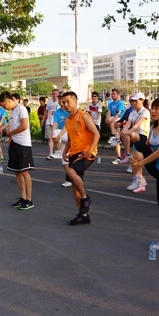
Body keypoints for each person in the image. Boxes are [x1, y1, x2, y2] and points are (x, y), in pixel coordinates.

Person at [129, 98, 159, 250]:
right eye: (152, 108)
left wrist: (140, 164)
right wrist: (135, 158)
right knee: (137, 144)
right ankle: (139, 178)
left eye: (157, 108)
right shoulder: (153, 127)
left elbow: (158, 153)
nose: (153, 111)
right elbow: (148, 148)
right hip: (157, 167)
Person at [60, 91, 99, 225]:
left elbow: (96, 134)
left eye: (68, 102)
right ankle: (83, 215)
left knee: (70, 171)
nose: (65, 105)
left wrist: (89, 151)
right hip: (74, 154)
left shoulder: (83, 116)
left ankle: (85, 198)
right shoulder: (68, 120)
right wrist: (65, 151)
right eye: (63, 102)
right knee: (75, 187)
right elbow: (71, 138)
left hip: (86, 153)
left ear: (75, 102)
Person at [0, 91, 35, 210]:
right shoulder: (12, 112)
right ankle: (22, 198)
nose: (5, 108)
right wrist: (9, 137)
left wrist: (11, 133)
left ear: (9, 101)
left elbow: (24, 126)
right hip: (14, 143)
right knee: (17, 171)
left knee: (24, 171)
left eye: (4, 105)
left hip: (23, 144)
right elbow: (12, 126)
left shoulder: (21, 109)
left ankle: (29, 199)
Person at [119, 93, 150, 172]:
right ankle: (128, 155)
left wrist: (128, 131)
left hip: (142, 135)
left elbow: (137, 125)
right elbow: (128, 123)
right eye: (132, 101)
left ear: (142, 101)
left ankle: (129, 157)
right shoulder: (132, 112)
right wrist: (123, 131)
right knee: (135, 153)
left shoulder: (145, 111)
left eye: (135, 101)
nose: (133, 103)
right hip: (133, 135)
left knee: (128, 134)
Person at [43, 89, 61, 159]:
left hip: (56, 123)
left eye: (56, 94)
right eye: (53, 94)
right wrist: (43, 120)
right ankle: (51, 153)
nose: (55, 95)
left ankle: (58, 152)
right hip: (48, 122)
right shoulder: (49, 102)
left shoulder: (59, 103)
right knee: (49, 139)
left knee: (56, 138)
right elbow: (46, 111)